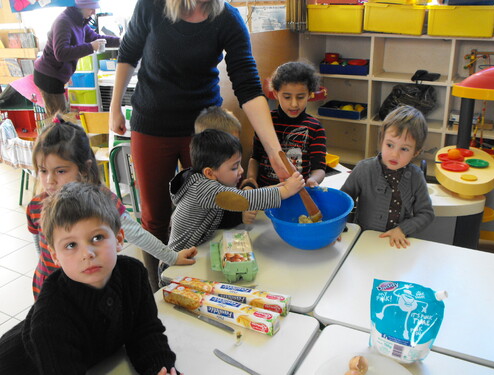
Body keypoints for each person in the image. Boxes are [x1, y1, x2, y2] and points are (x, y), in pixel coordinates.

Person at [109, 0, 288, 284]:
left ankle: (202, 281)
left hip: (205, 129)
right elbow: (128, 53)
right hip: (153, 124)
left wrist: (275, 152)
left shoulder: (227, 17)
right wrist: (115, 105)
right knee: (156, 217)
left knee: (214, 206)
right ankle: (158, 287)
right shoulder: (151, 6)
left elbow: (248, 85)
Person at [0, 182, 180, 375]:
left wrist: (160, 368)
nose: (87, 254)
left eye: (97, 238)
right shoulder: (50, 316)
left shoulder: (133, 274)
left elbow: (144, 331)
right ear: (55, 256)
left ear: (119, 239)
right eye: (70, 245)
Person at [28, 116, 196, 297]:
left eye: (60, 171)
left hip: (92, 291)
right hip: (51, 290)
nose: (50, 181)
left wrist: (172, 257)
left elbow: (137, 234)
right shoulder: (36, 206)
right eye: (43, 171)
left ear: (84, 169)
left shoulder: (103, 201)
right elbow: (39, 243)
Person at [159, 129, 304, 279]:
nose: (241, 170)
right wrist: (286, 190)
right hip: (174, 266)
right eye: (234, 167)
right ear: (209, 173)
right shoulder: (203, 188)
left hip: (195, 254)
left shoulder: (210, 182)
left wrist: (282, 186)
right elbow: (244, 199)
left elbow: (244, 197)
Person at [340, 105, 435, 249]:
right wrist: (338, 227)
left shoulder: (416, 177)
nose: (394, 154)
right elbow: (343, 202)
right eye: (390, 145)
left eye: (404, 149)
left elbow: (426, 214)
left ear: (415, 152)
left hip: (396, 244)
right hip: (363, 241)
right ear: (381, 140)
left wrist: (403, 229)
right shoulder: (363, 169)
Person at [33, 0, 120, 120]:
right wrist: (91, 47)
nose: (94, 12)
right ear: (81, 7)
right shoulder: (63, 22)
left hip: (57, 74)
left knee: (61, 118)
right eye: (91, 8)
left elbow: (96, 38)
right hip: (48, 76)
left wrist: (122, 41)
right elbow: (61, 53)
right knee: (60, 121)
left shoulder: (80, 21)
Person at [247, 61, 327, 188]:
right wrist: (251, 180)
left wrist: (312, 180)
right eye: (287, 97)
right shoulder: (265, 121)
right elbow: (255, 158)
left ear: (310, 95)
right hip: (267, 192)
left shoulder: (315, 127)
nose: (294, 104)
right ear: (275, 94)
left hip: (298, 193)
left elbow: (319, 168)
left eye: (300, 97)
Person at [195, 106, 257, 225]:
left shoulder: (229, 166)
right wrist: (240, 217)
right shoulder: (200, 185)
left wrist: (248, 187)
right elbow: (211, 219)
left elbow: (241, 186)